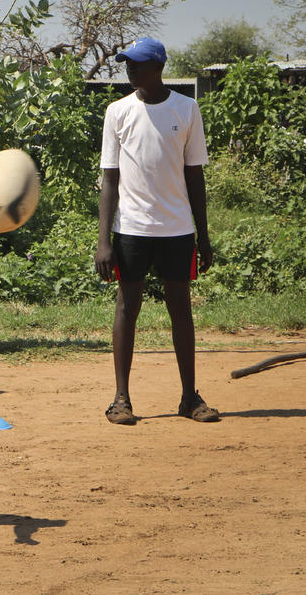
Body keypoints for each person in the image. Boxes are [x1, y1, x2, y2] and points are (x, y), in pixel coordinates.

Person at [94, 37, 220, 425]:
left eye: (138, 63)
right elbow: (110, 179)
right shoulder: (118, 111)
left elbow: (194, 175)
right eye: (127, 63)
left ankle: (189, 398)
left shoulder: (186, 108)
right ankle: (121, 400)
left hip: (177, 229)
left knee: (180, 308)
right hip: (131, 228)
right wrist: (103, 240)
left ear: (159, 67)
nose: (130, 69)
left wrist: (203, 235)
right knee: (126, 307)